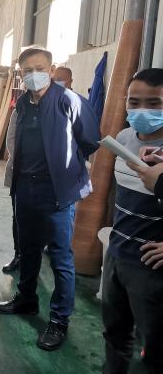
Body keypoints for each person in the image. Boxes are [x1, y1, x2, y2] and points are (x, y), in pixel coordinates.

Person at [0, 47, 100, 351]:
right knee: (28, 248)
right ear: (20, 74)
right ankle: (26, 299)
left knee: (60, 256)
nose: (33, 75)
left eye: (39, 68)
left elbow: (89, 140)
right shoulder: (23, 104)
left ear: (52, 70)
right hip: (25, 187)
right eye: (27, 70)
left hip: (56, 191)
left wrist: (65, 171)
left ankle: (59, 319)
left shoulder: (69, 100)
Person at [103, 69, 163, 373]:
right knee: (115, 333)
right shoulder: (125, 138)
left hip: (150, 266)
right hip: (117, 253)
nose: (142, 111)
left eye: (154, 103)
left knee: (151, 346)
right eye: (134, 101)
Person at [2, 109, 20, 273]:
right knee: (18, 216)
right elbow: (11, 140)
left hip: (47, 178)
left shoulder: (59, 108)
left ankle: (33, 255)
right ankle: (18, 255)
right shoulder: (20, 109)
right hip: (20, 172)